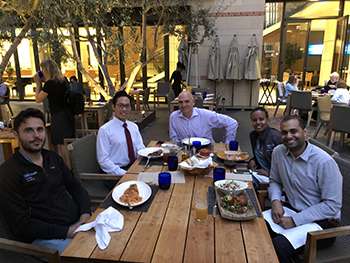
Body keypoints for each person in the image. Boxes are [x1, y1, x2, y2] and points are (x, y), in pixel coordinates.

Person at [0, 108, 91, 253]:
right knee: (92, 253)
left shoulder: (52, 158)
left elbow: (76, 187)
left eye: (40, 129)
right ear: (16, 134)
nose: (36, 136)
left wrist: (85, 214)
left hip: (77, 224)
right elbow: (21, 226)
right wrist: (67, 231)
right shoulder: (9, 172)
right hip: (45, 239)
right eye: (29, 130)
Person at [268, 115, 342, 262]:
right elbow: (275, 181)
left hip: (322, 224)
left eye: (293, 131)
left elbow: (332, 206)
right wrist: (275, 200)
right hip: (291, 210)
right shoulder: (278, 152)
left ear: (305, 133)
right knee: (257, 227)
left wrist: (296, 220)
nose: (288, 136)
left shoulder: (324, 162)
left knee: (277, 246)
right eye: (284, 132)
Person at [96, 90, 145, 180]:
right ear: (113, 107)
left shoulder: (133, 126)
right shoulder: (105, 130)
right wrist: (125, 174)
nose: (124, 109)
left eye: (127, 106)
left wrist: (142, 164)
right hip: (114, 173)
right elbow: (103, 160)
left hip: (133, 167)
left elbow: (140, 147)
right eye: (120, 106)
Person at [35, 59, 75, 158]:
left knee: (61, 146)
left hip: (58, 116)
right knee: (67, 144)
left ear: (46, 70)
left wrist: (38, 84)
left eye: (42, 70)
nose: (42, 72)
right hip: (68, 114)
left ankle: (66, 169)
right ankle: (71, 168)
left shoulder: (50, 84)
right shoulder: (63, 80)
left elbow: (38, 99)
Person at [169, 90, 238, 144]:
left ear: (193, 102)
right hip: (185, 151)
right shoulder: (174, 117)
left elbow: (232, 123)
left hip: (206, 151)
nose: (183, 105)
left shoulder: (205, 115)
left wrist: (228, 144)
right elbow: (173, 138)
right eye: (181, 102)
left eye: (187, 101)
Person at [248, 107, 282, 184]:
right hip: (259, 172)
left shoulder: (276, 137)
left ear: (267, 119)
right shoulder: (253, 135)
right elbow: (261, 154)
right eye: (254, 120)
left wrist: (269, 173)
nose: (258, 122)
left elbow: (286, 165)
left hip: (275, 178)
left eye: (261, 119)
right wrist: (253, 160)